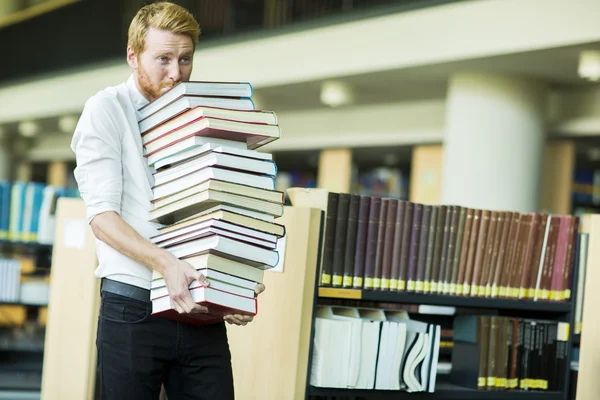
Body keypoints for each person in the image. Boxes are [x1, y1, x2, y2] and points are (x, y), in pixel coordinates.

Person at [70, 2, 264, 399]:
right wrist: (167, 265)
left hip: (200, 313)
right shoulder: (106, 110)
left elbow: (220, 208)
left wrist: (236, 283)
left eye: (185, 59)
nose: (176, 73)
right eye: (163, 59)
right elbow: (103, 219)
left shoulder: (201, 115)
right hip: (133, 310)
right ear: (132, 55)